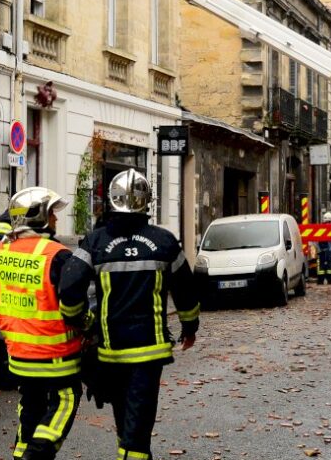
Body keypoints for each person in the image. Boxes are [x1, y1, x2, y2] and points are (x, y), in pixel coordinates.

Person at [66, 169, 200, 460]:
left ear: (111, 201)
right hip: (148, 354)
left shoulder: (95, 242)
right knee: (138, 428)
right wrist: (190, 326)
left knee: (125, 419)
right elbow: (186, 290)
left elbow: (69, 287)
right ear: (147, 201)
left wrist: (81, 322)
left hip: (110, 352)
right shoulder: (164, 241)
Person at [0, 187, 89, 460]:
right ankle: (36, 454)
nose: (56, 220)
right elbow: (73, 305)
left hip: (19, 356)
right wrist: (88, 322)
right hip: (55, 355)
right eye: (52, 214)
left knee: (31, 406)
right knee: (66, 399)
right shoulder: (58, 255)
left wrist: (9, 216)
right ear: (40, 218)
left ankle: (21, 453)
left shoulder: (1, 250)